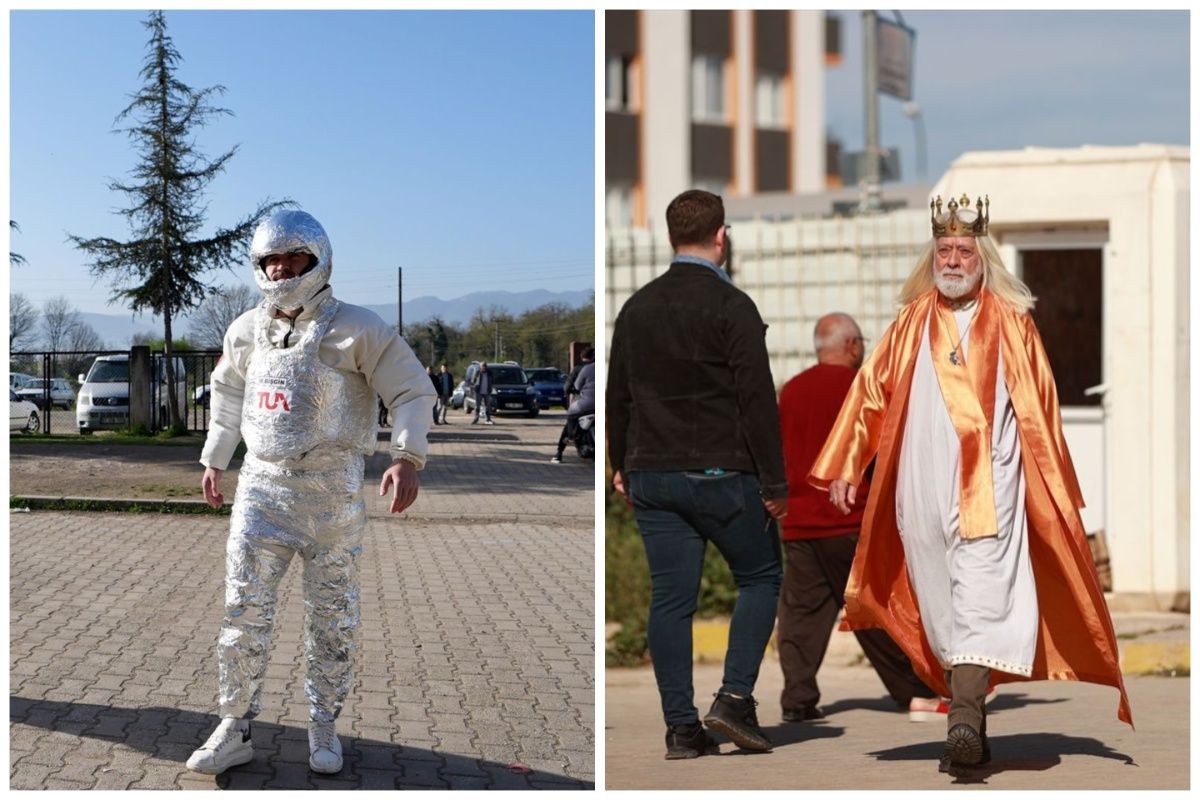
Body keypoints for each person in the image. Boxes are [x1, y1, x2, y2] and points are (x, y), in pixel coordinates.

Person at [808, 195, 1132, 773]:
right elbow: (870, 396)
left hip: (992, 492)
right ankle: (971, 723)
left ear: (982, 257)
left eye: (963, 250)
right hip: (921, 494)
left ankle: (960, 719)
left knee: (982, 600)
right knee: (941, 611)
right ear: (933, 253)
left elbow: (1042, 412)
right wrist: (845, 465)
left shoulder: (1012, 322)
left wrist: (1053, 489)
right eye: (945, 248)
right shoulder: (909, 322)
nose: (953, 259)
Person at [187, 209, 436, 776]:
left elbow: (411, 390)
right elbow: (226, 395)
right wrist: (215, 460)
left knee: (332, 614)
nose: (280, 270)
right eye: (270, 260)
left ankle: (323, 725)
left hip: (332, 496)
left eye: (291, 258)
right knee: (243, 609)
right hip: (262, 489)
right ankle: (235, 725)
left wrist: (406, 457)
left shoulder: (360, 328)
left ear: (317, 260)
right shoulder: (246, 329)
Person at [608, 189, 788, 759]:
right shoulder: (733, 307)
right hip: (722, 471)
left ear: (668, 237)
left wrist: (619, 464)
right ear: (722, 235)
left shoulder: (636, 308)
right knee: (760, 576)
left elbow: (618, 394)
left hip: (653, 474)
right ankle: (734, 698)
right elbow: (757, 400)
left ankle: (681, 730)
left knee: (670, 598)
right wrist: (776, 484)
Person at [776, 313, 942, 724]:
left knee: (801, 614)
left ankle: (797, 698)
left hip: (800, 522)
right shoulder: (861, 387)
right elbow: (886, 454)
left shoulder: (792, 390)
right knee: (875, 610)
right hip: (852, 521)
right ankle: (913, 691)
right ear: (851, 345)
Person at [551, 348, 594, 463]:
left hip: (585, 404)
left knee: (570, 418)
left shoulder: (581, 369)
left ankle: (560, 452)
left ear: (581, 356)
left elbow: (573, 386)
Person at [471, 361, 494, 425]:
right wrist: (475, 387)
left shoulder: (489, 373)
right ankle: (476, 418)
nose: (484, 367)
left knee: (487, 406)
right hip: (478, 392)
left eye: (485, 366)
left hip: (487, 392)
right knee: (477, 406)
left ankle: (488, 419)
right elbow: (473, 381)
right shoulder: (477, 373)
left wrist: (490, 388)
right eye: (482, 366)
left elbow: (492, 381)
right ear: (480, 367)